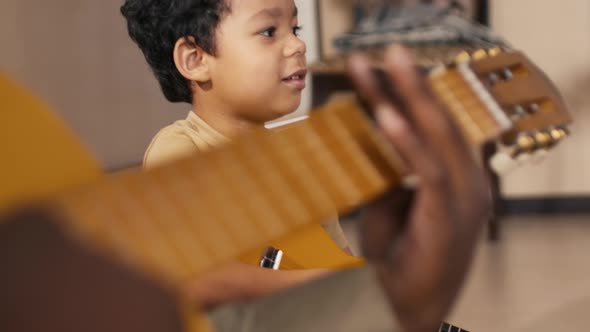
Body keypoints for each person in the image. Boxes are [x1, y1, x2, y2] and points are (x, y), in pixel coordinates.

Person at [120, 0, 356, 292]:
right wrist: (324, 283)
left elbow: (339, 258)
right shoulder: (181, 151)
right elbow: (202, 279)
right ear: (196, 60)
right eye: (269, 32)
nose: (298, 45)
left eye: (295, 28)